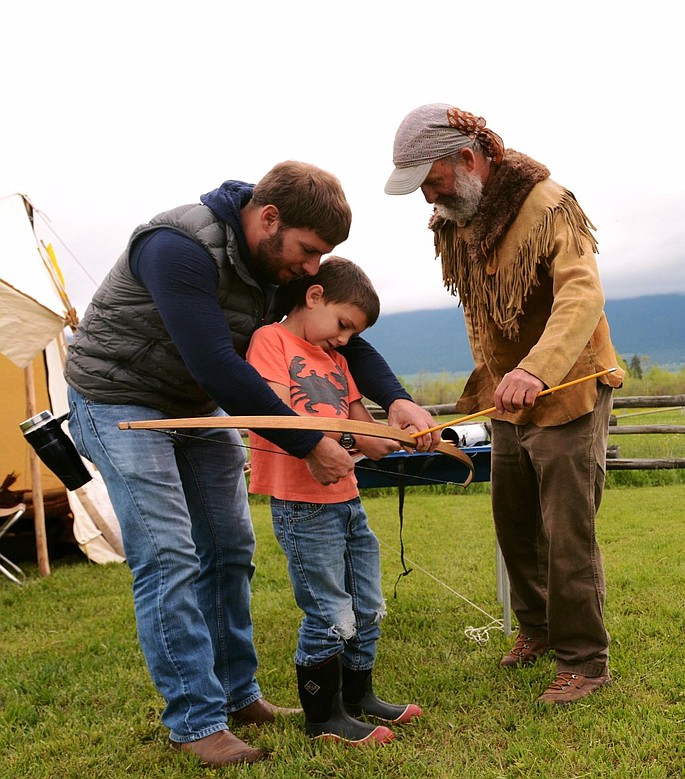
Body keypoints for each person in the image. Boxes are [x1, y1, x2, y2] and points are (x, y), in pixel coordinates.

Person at [64, 161, 440, 766]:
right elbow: (218, 362)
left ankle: (240, 696)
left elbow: (344, 340)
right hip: (116, 400)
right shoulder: (177, 248)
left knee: (231, 546)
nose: (313, 269)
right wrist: (305, 442)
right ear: (269, 219)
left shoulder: (277, 263)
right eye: (309, 252)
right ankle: (196, 720)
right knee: (169, 554)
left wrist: (394, 398)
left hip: (193, 405)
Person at [383, 104, 625, 705]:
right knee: (514, 521)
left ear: (467, 159)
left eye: (431, 181)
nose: (428, 198)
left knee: (566, 529)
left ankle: (585, 661)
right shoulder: (456, 216)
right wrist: (497, 379)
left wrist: (537, 368)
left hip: (567, 388)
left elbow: (581, 294)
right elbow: (485, 315)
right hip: (507, 396)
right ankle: (538, 630)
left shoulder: (548, 205)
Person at [246, 257, 421, 746]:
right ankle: (323, 719)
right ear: (315, 296)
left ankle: (357, 696)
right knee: (329, 613)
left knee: (367, 605)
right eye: (343, 324)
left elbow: (365, 433)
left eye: (353, 332)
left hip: (347, 498)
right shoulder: (270, 341)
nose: (345, 339)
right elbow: (271, 413)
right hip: (302, 504)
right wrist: (323, 440)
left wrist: (402, 435)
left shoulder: (341, 362)